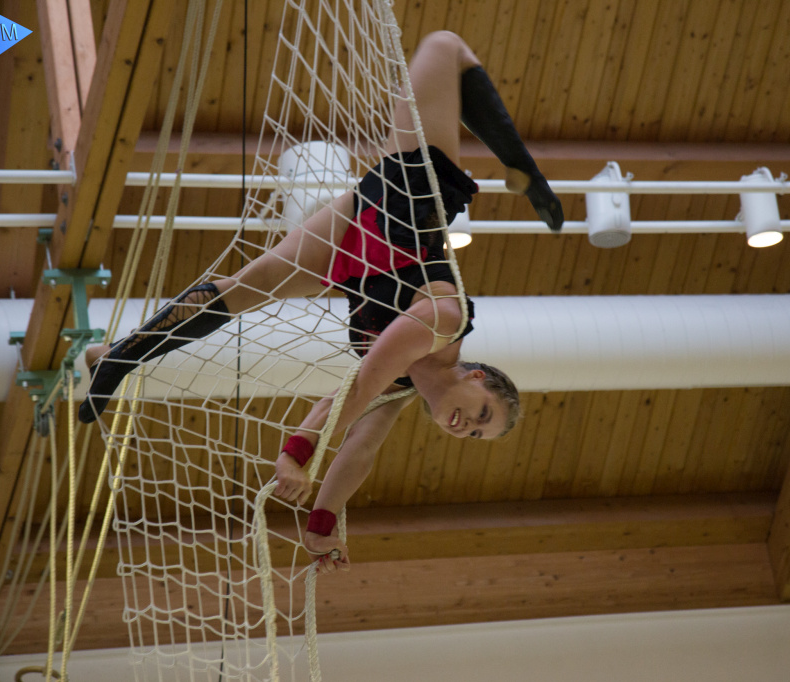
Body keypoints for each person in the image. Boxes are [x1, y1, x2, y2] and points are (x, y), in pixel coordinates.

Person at [78, 31, 563, 573]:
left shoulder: (402, 391)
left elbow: (359, 450)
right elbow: (358, 384)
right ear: (476, 380)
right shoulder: (445, 325)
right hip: (410, 201)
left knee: (246, 286)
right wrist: (297, 452)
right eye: (481, 416)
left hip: (351, 246)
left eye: (475, 435)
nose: (465, 427)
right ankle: (527, 169)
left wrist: (321, 526)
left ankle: (119, 356)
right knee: (446, 47)